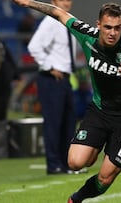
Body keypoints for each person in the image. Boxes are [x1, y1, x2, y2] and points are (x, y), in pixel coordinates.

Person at [12, 0, 121, 202]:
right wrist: (29, 3)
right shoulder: (86, 34)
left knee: (105, 179)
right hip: (100, 110)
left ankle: (76, 199)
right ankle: (95, 148)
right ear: (98, 25)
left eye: (117, 28)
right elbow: (58, 13)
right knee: (75, 162)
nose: (112, 32)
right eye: (107, 27)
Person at [27, 0, 78, 175]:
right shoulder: (50, 21)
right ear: (53, 1)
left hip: (65, 78)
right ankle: (54, 164)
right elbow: (34, 46)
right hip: (51, 79)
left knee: (69, 122)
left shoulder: (67, 20)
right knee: (54, 123)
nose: (67, 2)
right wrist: (49, 66)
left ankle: (67, 163)